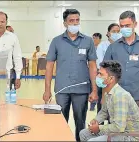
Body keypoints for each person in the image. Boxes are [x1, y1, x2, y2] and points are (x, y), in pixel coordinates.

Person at [43, 9, 98, 141]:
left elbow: (92, 66)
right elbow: (49, 66)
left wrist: (94, 89)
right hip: (62, 89)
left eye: (77, 20)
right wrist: (47, 90)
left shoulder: (88, 41)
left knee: (80, 122)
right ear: (65, 23)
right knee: (61, 121)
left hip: (81, 90)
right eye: (71, 21)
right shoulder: (57, 41)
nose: (75, 23)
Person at [79, 60, 139, 141]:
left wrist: (99, 128)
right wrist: (96, 120)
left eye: (101, 74)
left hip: (130, 136)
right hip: (118, 132)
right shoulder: (108, 93)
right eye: (98, 73)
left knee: (92, 141)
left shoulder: (120, 96)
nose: (97, 76)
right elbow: (104, 112)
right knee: (83, 134)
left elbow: (118, 127)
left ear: (111, 79)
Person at [104, 11, 139, 103]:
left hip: (137, 96)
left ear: (135, 24)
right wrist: (105, 96)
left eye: (127, 25)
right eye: (122, 26)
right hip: (116, 96)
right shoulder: (113, 47)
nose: (124, 28)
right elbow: (105, 72)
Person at [90, 24, 121, 113]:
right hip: (104, 80)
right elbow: (100, 63)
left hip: (117, 81)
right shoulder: (102, 46)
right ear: (108, 33)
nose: (116, 34)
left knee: (115, 108)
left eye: (118, 32)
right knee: (102, 107)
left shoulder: (121, 46)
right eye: (113, 31)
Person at [89, 33, 102, 111]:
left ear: (100, 39)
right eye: (93, 38)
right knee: (92, 87)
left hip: (100, 71)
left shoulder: (102, 47)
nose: (94, 40)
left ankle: (99, 104)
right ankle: (92, 105)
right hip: (93, 71)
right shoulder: (91, 48)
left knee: (99, 88)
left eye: (96, 38)